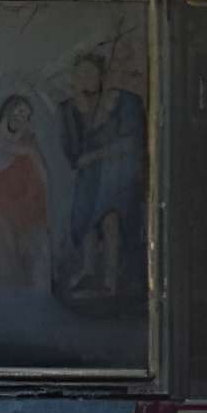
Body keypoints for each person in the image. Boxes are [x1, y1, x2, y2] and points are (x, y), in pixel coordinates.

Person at [58, 50, 150, 299]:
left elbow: (132, 142)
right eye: (80, 74)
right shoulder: (69, 109)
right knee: (87, 221)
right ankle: (89, 273)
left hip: (117, 174)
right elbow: (73, 153)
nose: (86, 78)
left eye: (91, 73)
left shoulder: (124, 102)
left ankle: (110, 282)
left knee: (111, 219)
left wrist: (97, 156)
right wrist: (81, 109)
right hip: (89, 178)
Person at [0, 94, 52, 296]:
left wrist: (27, 153)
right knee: (4, 247)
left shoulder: (29, 143)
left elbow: (42, 175)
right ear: (6, 111)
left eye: (26, 115)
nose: (20, 117)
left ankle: (32, 293)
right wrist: (10, 152)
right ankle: (11, 289)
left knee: (31, 247)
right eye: (18, 111)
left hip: (26, 201)